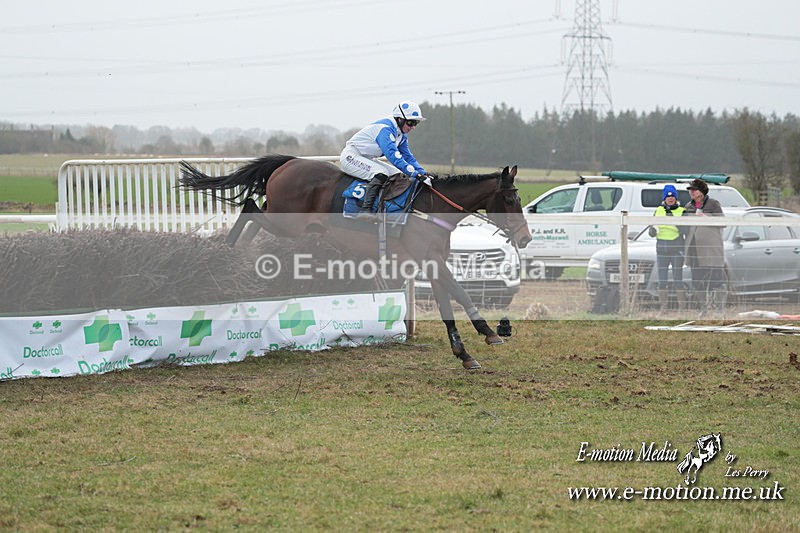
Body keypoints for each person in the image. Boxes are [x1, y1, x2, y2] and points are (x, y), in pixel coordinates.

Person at [340, 101, 430, 220]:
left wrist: (423, 173)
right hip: (351, 156)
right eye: (410, 123)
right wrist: (414, 173)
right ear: (400, 119)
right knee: (381, 173)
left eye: (416, 123)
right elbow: (393, 156)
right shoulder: (385, 129)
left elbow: (408, 157)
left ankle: (385, 208)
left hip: (366, 158)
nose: (413, 127)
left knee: (398, 175)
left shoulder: (401, 135)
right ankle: (365, 209)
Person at [682, 178, 726, 317]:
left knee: (717, 281)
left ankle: (719, 310)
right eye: (690, 190)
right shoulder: (688, 206)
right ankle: (703, 309)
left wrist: (704, 216)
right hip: (694, 249)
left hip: (710, 250)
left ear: (702, 191)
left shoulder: (713, 204)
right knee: (697, 282)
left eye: (694, 190)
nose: (691, 192)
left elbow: (723, 222)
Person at [649, 184, 686, 311]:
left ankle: (682, 308)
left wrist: (674, 222)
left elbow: (686, 230)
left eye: (673, 196)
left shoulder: (681, 211)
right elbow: (652, 229)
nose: (670, 198)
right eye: (668, 196)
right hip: (662, 250)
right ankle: (663, 308)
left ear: (676, 198)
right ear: (664, 198)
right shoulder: (658, 210)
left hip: (676, 249)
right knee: (662, 281)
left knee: (678, 280)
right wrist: (652, 231)